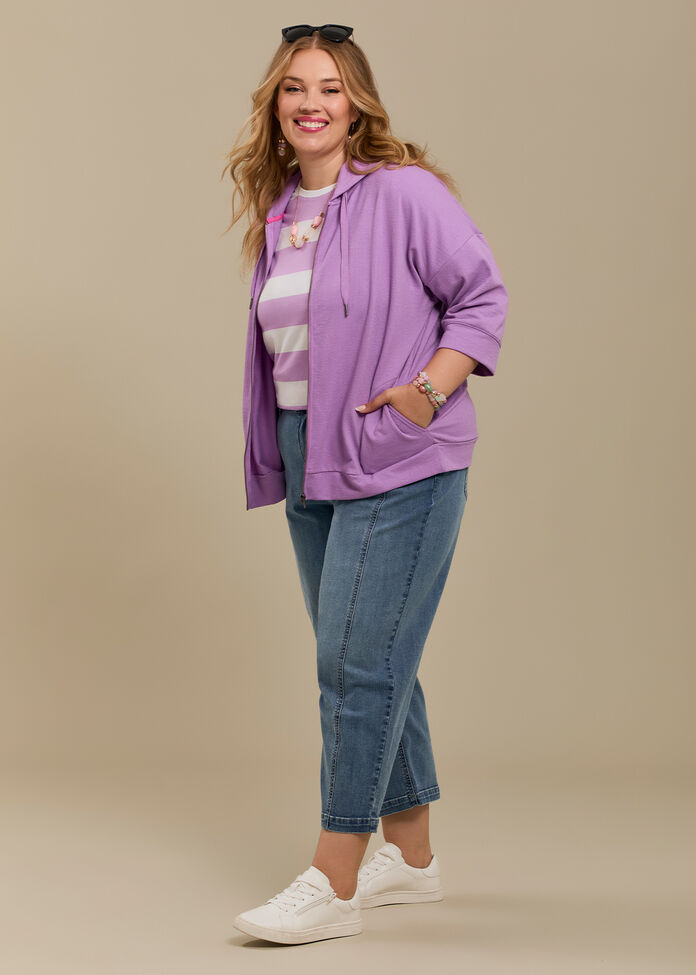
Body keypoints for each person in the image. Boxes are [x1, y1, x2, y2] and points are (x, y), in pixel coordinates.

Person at [221, 24, 509, 945]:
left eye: (330, 89)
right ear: (275, 106)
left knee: (353, 664)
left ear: (358, 107)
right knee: (373, 654)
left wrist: (427, 393)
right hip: (310, 452)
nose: (311, 103)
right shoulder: (281, 213)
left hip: (396, 453)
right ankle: (412, 858)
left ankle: (335, 872)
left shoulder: (401, 192)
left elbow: (481, 297)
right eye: (294, 88)